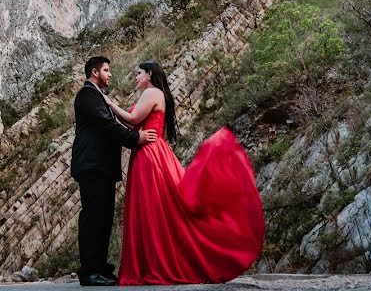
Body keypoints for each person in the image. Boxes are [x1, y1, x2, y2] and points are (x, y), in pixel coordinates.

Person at [104, 61, 265, 285]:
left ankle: (157, 263)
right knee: (162, 208)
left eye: (139, 73)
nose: (136, 78)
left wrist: (110, 103)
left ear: (149, 74)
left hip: (149, 155)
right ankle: (161, 260)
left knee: (154, 208)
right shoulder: (156, 93)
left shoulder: (152, 92)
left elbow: (132, 119)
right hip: (153, 151)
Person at [71, 56, 157, 286]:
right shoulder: (87, 95)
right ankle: (89, 271)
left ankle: (100, 268)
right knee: (94, 218)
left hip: (102, 167)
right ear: (94, 72)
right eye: (106, 70)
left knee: (104, 218)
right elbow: (107, 126)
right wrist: (135, 137)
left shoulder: (97, 96)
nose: (110, 74)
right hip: (92, 166)